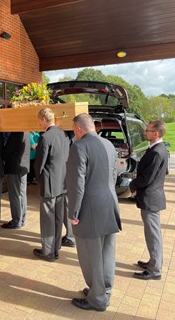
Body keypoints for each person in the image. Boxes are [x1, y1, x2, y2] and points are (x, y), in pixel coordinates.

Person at [66, 113, 121, 312]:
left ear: (79, 129)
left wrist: (73, 213)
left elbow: (76, 184)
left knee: (91, 256)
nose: (74, 134)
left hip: (89, 209)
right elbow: (114, 174)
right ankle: (102, 290)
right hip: (109, 204)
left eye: (74, 130)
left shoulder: (79, 147)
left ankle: (97, 299)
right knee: (107, 253)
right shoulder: (108, 144)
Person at [130, 120, 168, 280]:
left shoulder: (157, 152)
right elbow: (164, 171)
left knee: (153, 234)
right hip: (153, 196)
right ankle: (154, 261)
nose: (145, 132)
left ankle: (155, 269)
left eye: (148, 130)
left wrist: (132, 184)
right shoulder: (159, 149)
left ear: (156, 133)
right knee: (152, 233)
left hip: (150, 198)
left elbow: (147, 177)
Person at [33, 108, 70, 261]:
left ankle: (48, 251)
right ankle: (56, 248)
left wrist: (38, 177)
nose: (39, 123)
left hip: (49, 183)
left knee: (48, 218)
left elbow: (39, 163)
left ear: (43, 120)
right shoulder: (63, 134)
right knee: (58, 217)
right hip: (62, 181)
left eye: (39, 120)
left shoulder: (45, 137)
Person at [2, 132, 30, 229]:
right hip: (24, 167)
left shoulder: (16, 133)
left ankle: (16, 221)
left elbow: (6, 151)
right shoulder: (26, 132)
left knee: (14, 195)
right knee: (22, 194)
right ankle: (22, 219)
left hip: (14, 168)